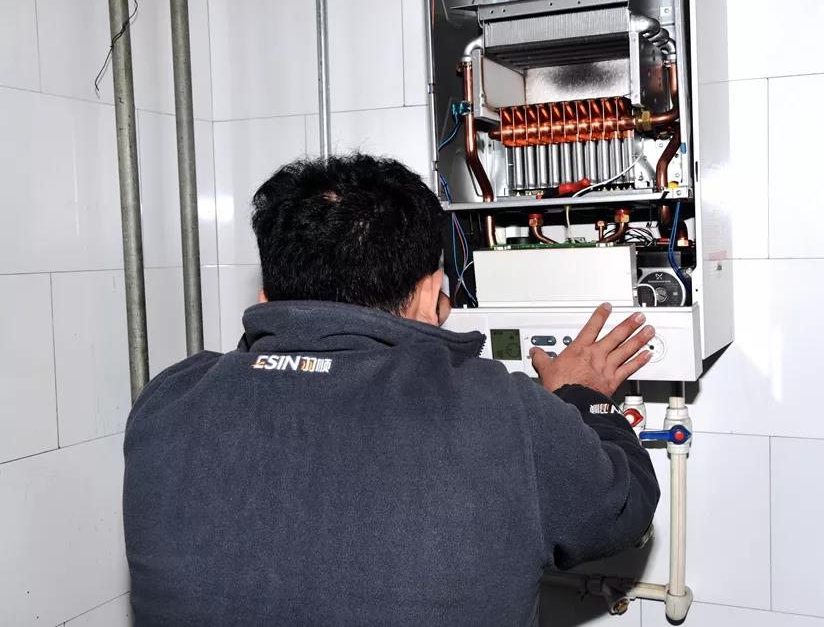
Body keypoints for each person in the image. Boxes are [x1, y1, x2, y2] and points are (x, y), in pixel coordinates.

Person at [123, 155, 660, 626]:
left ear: (266, 297)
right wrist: (583, 395)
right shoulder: (502, 413)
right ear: (431, 294)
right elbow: (622, 510)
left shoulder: (168, 401)